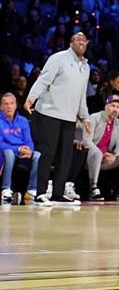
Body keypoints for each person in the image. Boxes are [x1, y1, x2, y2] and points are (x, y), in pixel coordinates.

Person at [25, 32, 91, 206]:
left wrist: (85, 117)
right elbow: (43, 80)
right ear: (71, 42)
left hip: (69, 117)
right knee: (48, 153)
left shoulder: (86, 67)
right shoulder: (58, 58)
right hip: (49, 112)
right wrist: (31, 98)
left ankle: (58, 194)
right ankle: (40, 193)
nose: (81, 42)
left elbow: (81, 95)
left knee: (65, 156)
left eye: (84, 40)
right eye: (78, 39)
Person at [85, 95, 119, 201]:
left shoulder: (118, 123)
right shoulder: (94, 117)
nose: (115, 109)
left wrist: (114, 155)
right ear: (106, 106)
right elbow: (87, 140)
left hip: (107, 159)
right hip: (91, 157)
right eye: (113, 106)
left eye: (118, 107)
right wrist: (101, 154)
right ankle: (93, 187)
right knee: (97, 153)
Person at [0, 93, 40, 203]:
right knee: (9, 153)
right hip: (4, 152)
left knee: (37, 155)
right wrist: (17, 149)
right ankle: (6, 189)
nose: (9, 106)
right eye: (6, 104)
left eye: (11, 103)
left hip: (21, 151)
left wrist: (29, 150)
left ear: (16, 105)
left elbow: (28, 140)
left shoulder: (23, 121)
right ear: (1, 107)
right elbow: (0, 144)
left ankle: (31, 190)